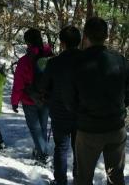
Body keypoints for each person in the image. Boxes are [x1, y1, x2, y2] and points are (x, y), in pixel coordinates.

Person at [64, 17, 129, 185]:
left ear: (85, 36)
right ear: (107, 36)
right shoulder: (120, 60)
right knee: (116, 178)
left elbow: (68, 98)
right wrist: (122, 107)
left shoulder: (76, 62)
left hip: (88, 130)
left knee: (83, 178)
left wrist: (79, 113)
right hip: (115, 127)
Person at [39, 26, 82, 185]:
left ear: (62, 43)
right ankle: (79, 180)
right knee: (79, 150)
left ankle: (60, 181)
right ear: (79, 41)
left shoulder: (54, 62)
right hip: (81, 113)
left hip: (59, 112)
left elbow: (44, 85)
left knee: (61, 148)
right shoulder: (87, 60)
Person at [11, 28, 53, 165]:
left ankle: (43, 154)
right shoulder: (50, 56)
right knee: (42, 126)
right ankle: (41, 151)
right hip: (46, 98)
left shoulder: (24, 61)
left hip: (30, 99)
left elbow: (18, 83)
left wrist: (15, 101)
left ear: (28, 42)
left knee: (35, 129)